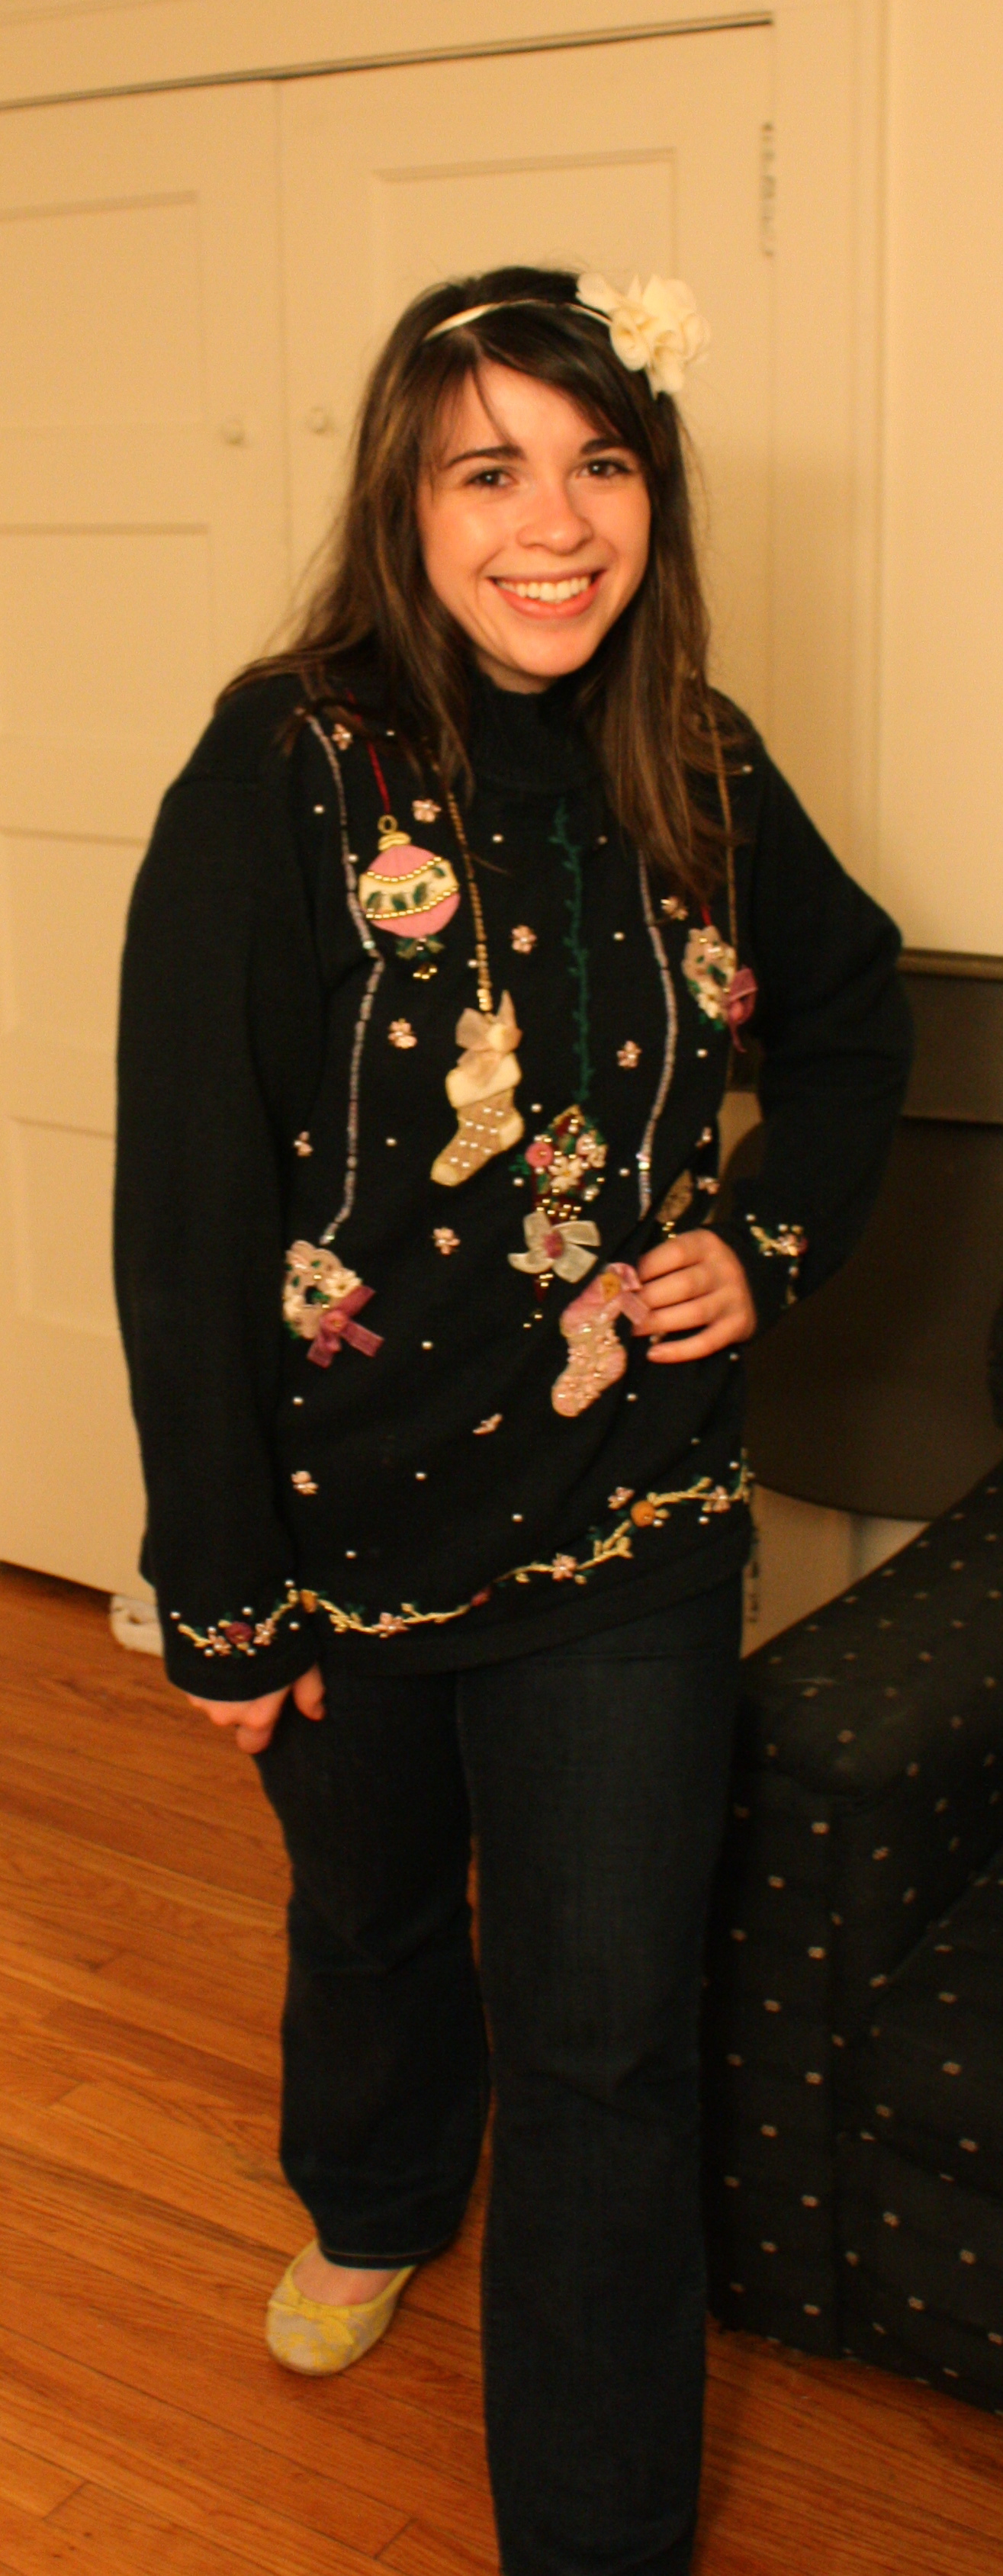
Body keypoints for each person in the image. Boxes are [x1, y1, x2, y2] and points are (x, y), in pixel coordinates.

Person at [115, 264, 911, 2576]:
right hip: (340, 1524)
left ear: (651, 493)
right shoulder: (281, 762)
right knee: (373, 1926)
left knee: (602, 2042)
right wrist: (222, 1591)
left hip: (626, 1521)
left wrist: (763, 1245)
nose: (552, 524)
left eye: (597, 464)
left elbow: (857, 1018)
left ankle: (594, 2533)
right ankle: (375, 2193)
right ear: (407, 499)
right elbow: (187, 1198)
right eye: (489, 470)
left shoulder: (699, 759)